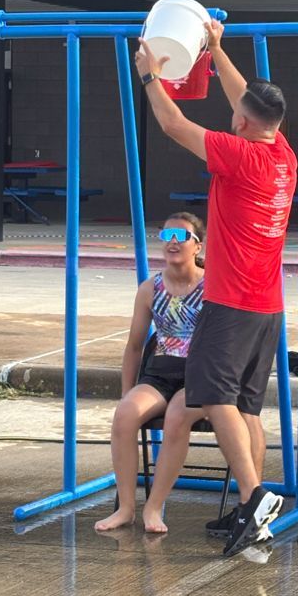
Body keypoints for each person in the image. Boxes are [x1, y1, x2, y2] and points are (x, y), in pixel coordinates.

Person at [134, 20, 297, 558]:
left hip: (231, 304)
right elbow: (244, 99)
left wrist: (150, 77)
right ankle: (255, 514)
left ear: (243, 123)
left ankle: (255, 498)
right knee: (246, 409)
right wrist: (219, 51)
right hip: (268, 306)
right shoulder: (281, 156)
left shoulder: (241, 155)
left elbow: (175, 125)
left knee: (213, 395)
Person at [95, 212, 207, 535]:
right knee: (125, 414)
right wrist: (127, 392)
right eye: (166, 235)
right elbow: (133, 347)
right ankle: (126, 508)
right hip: (160, 373)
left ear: (197, 246)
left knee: (176, 417)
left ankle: (154, 506)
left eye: (181, 236)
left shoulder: (212, 287)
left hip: (197, 375)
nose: (172, 242)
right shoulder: (150, 289)